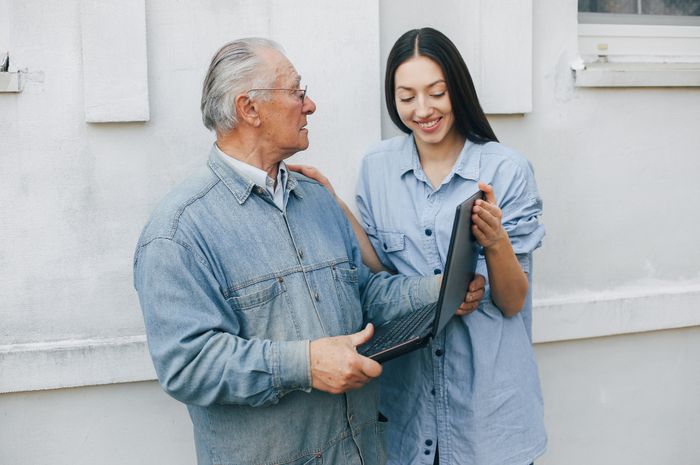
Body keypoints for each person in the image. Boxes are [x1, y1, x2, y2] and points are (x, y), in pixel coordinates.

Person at [132, 38, 484, 465]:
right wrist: (306, 364)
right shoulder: (179, 232)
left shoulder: (317, 199)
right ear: (249, 109)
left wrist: (442, 289)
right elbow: (188, 365)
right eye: (297, 92)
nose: (310, 105)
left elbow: (366, 294)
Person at [291, 27, 546, 465]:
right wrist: (333, 201)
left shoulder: (506, 170)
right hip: (408, 410)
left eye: (437, 93)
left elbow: (512, 301)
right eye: (407, 97)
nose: (423, 110)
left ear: (458, 91)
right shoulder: (377, 166)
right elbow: (379, 267)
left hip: (489, 416)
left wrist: (496, 241)